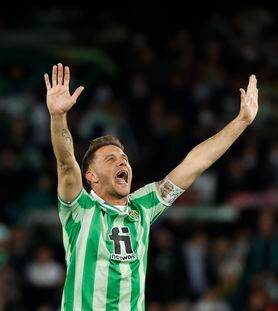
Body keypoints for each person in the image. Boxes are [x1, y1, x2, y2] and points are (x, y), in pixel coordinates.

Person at [44, 63, 259, 310]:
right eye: (110, 159)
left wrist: (241, 121)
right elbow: (66, 164)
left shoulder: (143, 206)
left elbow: (195, 163)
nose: (122, 161)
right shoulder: (80, 209)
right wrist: (58, 117)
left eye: (124, 158)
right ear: (91, 176)